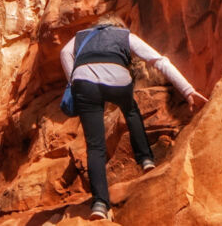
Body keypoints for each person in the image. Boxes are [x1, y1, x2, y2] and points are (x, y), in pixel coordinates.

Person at [60, 13, 209, 221]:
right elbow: (159, 60)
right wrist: (187, 90)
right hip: (117, 80)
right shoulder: (124, 35)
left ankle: (100, 205)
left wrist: (74, 82)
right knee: (130, 110)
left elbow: (64, 53)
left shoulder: (81, 36)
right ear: (117, 26)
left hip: (84, 83)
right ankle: (146, 159)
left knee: (95, 146)